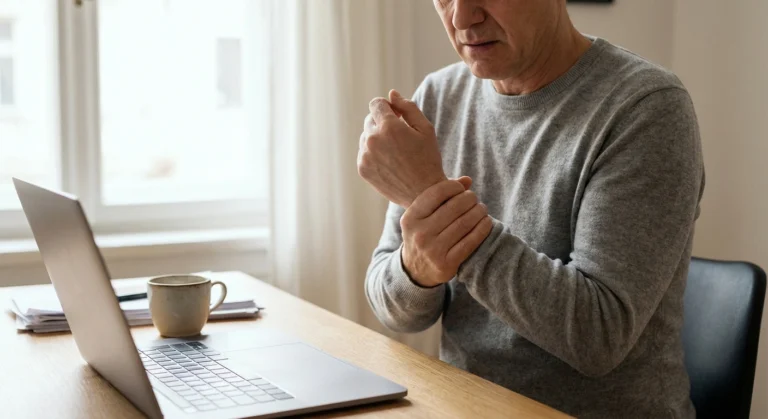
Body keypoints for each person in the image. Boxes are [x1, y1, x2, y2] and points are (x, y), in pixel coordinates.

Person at [357, 0, 705, 418]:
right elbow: (394, 308)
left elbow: (597, 336)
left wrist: (436, 201)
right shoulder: (438, 96)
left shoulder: (645, 107)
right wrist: (418, 266)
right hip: (464, 407)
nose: (461, 18)